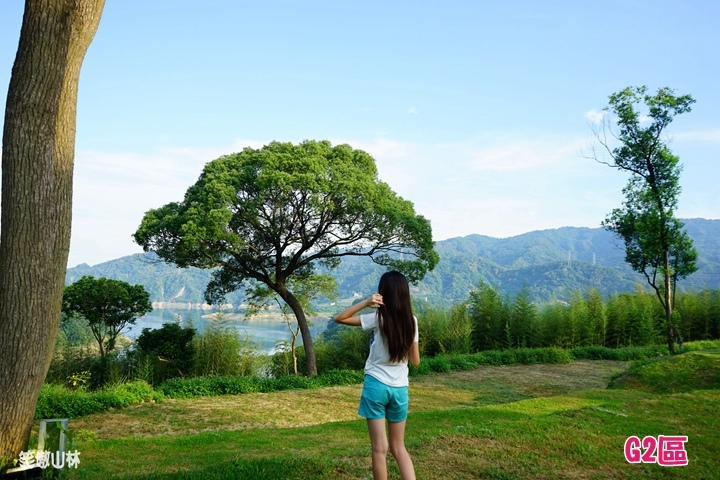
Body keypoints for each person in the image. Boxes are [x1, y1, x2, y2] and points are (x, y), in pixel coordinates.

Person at [334, 271, 420, 480]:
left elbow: (339, 318)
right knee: (399, 448)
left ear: (384, 294)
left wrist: (365, 302)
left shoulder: (377, 319)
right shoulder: (412, 321)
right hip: (400, 390)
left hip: (376, 386)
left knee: (379, 449)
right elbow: (416, 361)